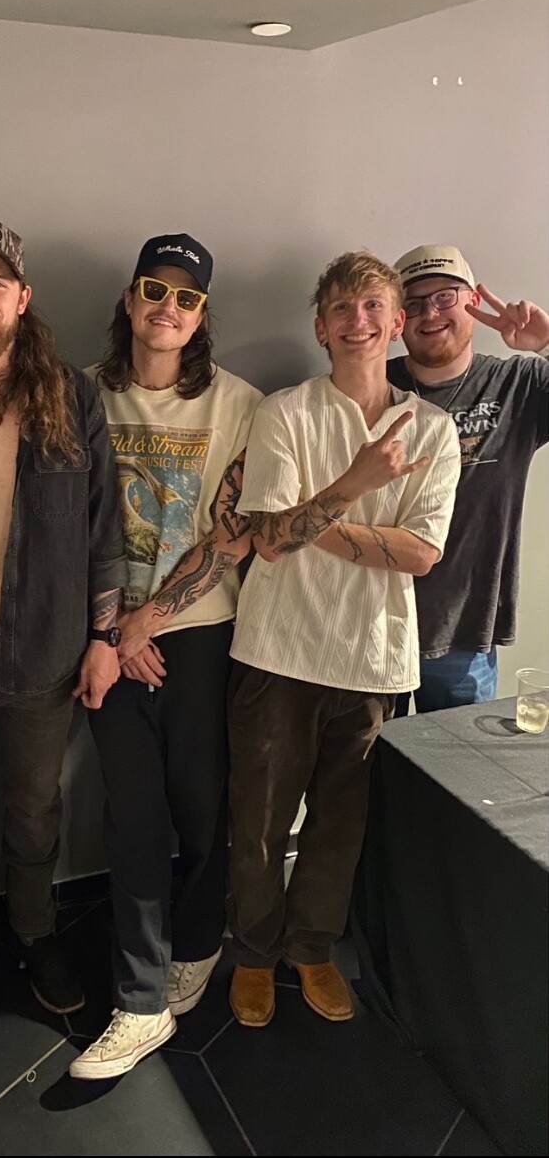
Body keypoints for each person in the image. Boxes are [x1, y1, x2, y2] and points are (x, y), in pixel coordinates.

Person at [227, 251, 461, 1028]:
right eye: (341, 309)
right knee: (259, 823)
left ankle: (312, 948)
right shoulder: (285, 413)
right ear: (321, 327)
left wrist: (312, 517)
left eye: (372, 307)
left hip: (373, 659)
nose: (357, 321)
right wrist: (357, 486)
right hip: (277, 651)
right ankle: (253, 953)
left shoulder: (432, 430)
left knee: (340, 825)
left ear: (395, 324)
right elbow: (268, 542)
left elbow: (420, 555)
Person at [68, 234, 262, 1080]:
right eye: (154, 289)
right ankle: (140, 999)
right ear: (130, 298)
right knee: (132, 817)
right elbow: (62, 525)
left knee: (202, 805)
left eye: (187, 298)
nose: (167, 308)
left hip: (200, 634)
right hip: (106, 643)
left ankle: (197, 942)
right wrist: (116, 632)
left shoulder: (239, 404)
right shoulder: (81, 394)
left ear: (202, 316)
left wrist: (150, 620)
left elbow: (234, 533)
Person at [0, 217, 126, 1025]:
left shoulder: (72, 397)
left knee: (36, 808)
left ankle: (38, 932)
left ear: (22, 297)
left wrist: (104, 638)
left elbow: (103, 530)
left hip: (44, 650)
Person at [386, 246, 549, 713]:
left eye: (444, 297)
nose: (430, 314)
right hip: (373, 624)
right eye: (413, 303)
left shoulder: (519, 384)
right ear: (398, 319)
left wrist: (546, 344)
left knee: (455, 762)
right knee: (370, 760)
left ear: (473, 301)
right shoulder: (372, 385)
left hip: (464, 636)